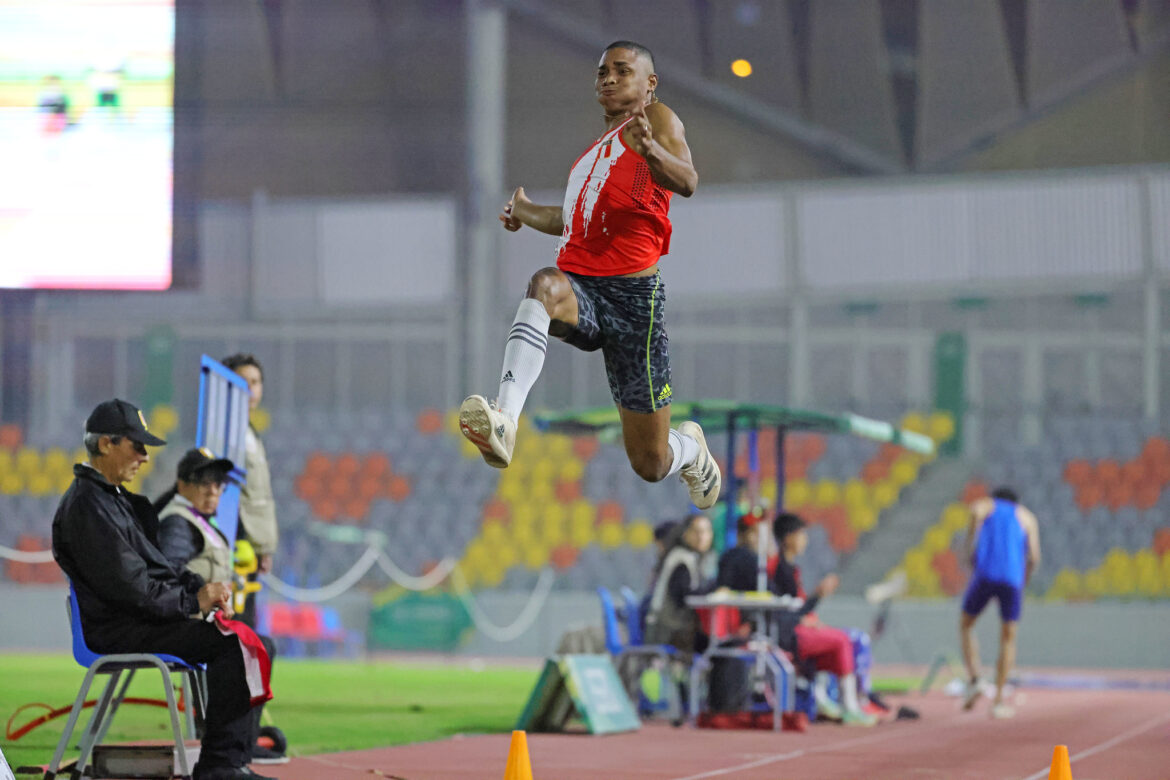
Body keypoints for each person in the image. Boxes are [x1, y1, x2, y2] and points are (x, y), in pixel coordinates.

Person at [457, 40, 721, 511]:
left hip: (634, 301)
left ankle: (691, 452)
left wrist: (651, 150)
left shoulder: (657, 119)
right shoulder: (590, 157)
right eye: (602, 72)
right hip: (583, 288)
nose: (609, 78)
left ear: (650, 83)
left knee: (650, 462)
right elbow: (573, 220)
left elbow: (688, 181)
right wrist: (524, 211)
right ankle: (505, 420)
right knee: (543, 285)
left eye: (622, 70)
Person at [51, 399, 274, 780]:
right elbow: (133, 588)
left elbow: (157, 569)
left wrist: (200, 590)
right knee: (232, 644)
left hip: (132, 620)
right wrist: (192, 601)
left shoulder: (108, 499)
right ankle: (220, 765)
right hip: (118, 628)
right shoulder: (90, 505)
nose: (144, 456)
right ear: (106, 444)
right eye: (137, 445)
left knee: (241, 640)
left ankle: (229, 761)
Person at [155, 447, 288, 766]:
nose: (213, 490)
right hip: (182, 622)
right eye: (204, 482)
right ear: (182, 484)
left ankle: (242, 742)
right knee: (247, 647)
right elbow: (166, 574)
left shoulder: (197, 521)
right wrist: (200, 594)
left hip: (195, 620)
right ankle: (228, 751)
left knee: (258, 644)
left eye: (218, 484)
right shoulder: (178, 523)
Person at [772, 512, 876, 726]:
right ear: (788, 538)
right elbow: (787, 611)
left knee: (843, 640)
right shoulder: (779, 570)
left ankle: (828, 698)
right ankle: (848, 705)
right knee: (841, 640)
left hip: (797, 629)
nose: (805, 540)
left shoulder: (791, 568)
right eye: (802, 535)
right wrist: (816, 597)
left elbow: (797, 609)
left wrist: (809, 613)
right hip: (788, 635)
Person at [959, 486, 1041, 719]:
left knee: (966, 624)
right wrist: (1024, 578)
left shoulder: (990, 506)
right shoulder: (1026, 516)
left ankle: (975, 677)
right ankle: (998, 701)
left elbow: (975, 511)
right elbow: (1034, 556)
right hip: (1013, 579)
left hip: (986, 574)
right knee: (1008, 638)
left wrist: (969, 550)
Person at [221, 353, 278, 628]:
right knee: (236, 627)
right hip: (235, 547)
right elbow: (227, 491)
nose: (250, 389)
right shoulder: (224, 433)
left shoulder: (250, 433)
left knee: (247, 627)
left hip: (252, 547)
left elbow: (258, 497)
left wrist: (263, 548)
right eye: (243, 381)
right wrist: (238, 540)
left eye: (255, 382)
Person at [644, 513, 715, 654]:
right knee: (718, 644)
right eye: (696, 532)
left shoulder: (690, 557)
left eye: (706, 532)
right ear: (685, 534)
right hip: (667, 631)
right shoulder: (681, 560)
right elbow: (685, 596)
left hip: (672, 629)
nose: (701, 537)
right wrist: (714, 591)